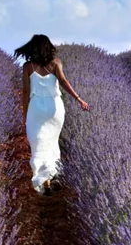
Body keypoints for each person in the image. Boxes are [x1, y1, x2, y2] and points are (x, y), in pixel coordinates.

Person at [15, 34, 89, 196]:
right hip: (55, 107)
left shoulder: (28, 66)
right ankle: (53, 175)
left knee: (38, 143)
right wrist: (78, 99)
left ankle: (45, 180)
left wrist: (26, 114)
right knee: (52, 141)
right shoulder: (56, 63)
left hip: (37, 107)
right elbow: (63, 82)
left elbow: (26, 91)